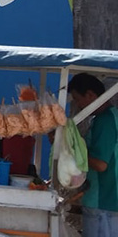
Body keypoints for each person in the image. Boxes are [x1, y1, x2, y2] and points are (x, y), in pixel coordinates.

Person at [68, 73, 118, 236]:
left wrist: (71, 152)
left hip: (103, 201)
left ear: (90, 94)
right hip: (106, 200)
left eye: (77, 99)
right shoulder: (109, 117)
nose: (78, 105)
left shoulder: (105, 121)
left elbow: (100, 164)